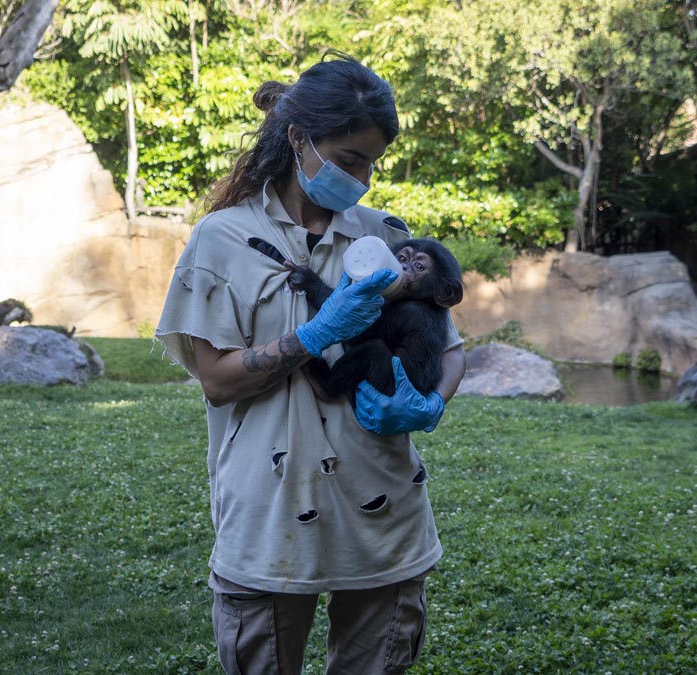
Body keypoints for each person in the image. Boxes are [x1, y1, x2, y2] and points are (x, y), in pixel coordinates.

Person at [155, 54, 466, 675]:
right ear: (299, 139)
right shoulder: (222, 238)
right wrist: (313, 336)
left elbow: (451, 350)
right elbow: (217, 382)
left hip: (384, 509)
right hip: (269, 516)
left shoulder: (387, 236)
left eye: (372, 163)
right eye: (350, 159)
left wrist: (431, 404)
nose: (363, 178)